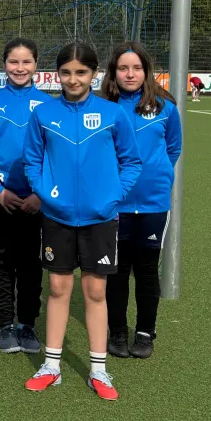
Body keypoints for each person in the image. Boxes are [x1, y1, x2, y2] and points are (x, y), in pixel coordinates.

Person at [22, 43, 142, 401]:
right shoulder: (43, 113)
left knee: (95, 292)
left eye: (81, 72)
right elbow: (31, 162)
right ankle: (52, 366)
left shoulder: (112, 113)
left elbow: (131, 162)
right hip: (57, 217)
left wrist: (112, 196)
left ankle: (99, 370)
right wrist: (46, 193)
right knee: (58, 290)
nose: (73, 79)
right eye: (66, 72)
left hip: (100, 218)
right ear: (56, 74)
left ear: (94, 75)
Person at [101, 42, 182, 360]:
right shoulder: (103, 107)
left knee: (147, 270)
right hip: (114, 204)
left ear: (147, 71)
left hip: (152, 204)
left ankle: (146, 333)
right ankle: (117, 333)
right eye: (123, 68)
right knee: (116, 272)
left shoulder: (165, 108)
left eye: (136, 68)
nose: (130, 73)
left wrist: (157, 178)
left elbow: (172, 149)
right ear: (113, 72)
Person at [0, 38, 51, 354]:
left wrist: (40, 194)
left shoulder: (49, 105)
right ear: (4, 64)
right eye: (13, 62)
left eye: (26, 62)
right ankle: (5, 324)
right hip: (0, 198)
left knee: (32, 264)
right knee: (2, 261)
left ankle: (27, 325)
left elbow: (54, 156)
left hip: (36, 200)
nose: (19, 68)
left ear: (36, 65)